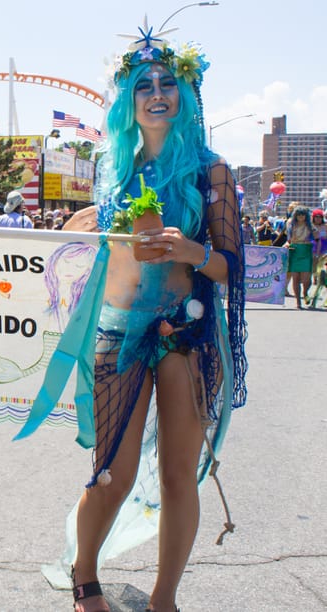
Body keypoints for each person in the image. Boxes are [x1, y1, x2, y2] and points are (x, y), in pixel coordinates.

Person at [58, 24, 247, 612]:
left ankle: (165, 598)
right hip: (121, 331)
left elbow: (233, 268)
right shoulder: (114, 172)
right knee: (110, 469)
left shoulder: (213, 170)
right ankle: (83, 575)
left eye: (168, 83)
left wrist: (193, 252)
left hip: (189, 337)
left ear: (184, 96)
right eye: (144, 86)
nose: (157, 93)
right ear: (129, 101)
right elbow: (83, 253)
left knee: (177, 476)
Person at [285, 205, 316, 309]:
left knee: (306, 278)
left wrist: (315, 236)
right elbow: (288, 240)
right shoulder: (291, 225)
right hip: (295, 250)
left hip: (306, 250)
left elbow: (317, 237)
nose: (301, 217)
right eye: (299, 215)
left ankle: (305, 292)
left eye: (303, 215)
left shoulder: (310, 226)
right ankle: (298, 301)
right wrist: (287, 245)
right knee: (295, 278)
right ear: (295, 215)